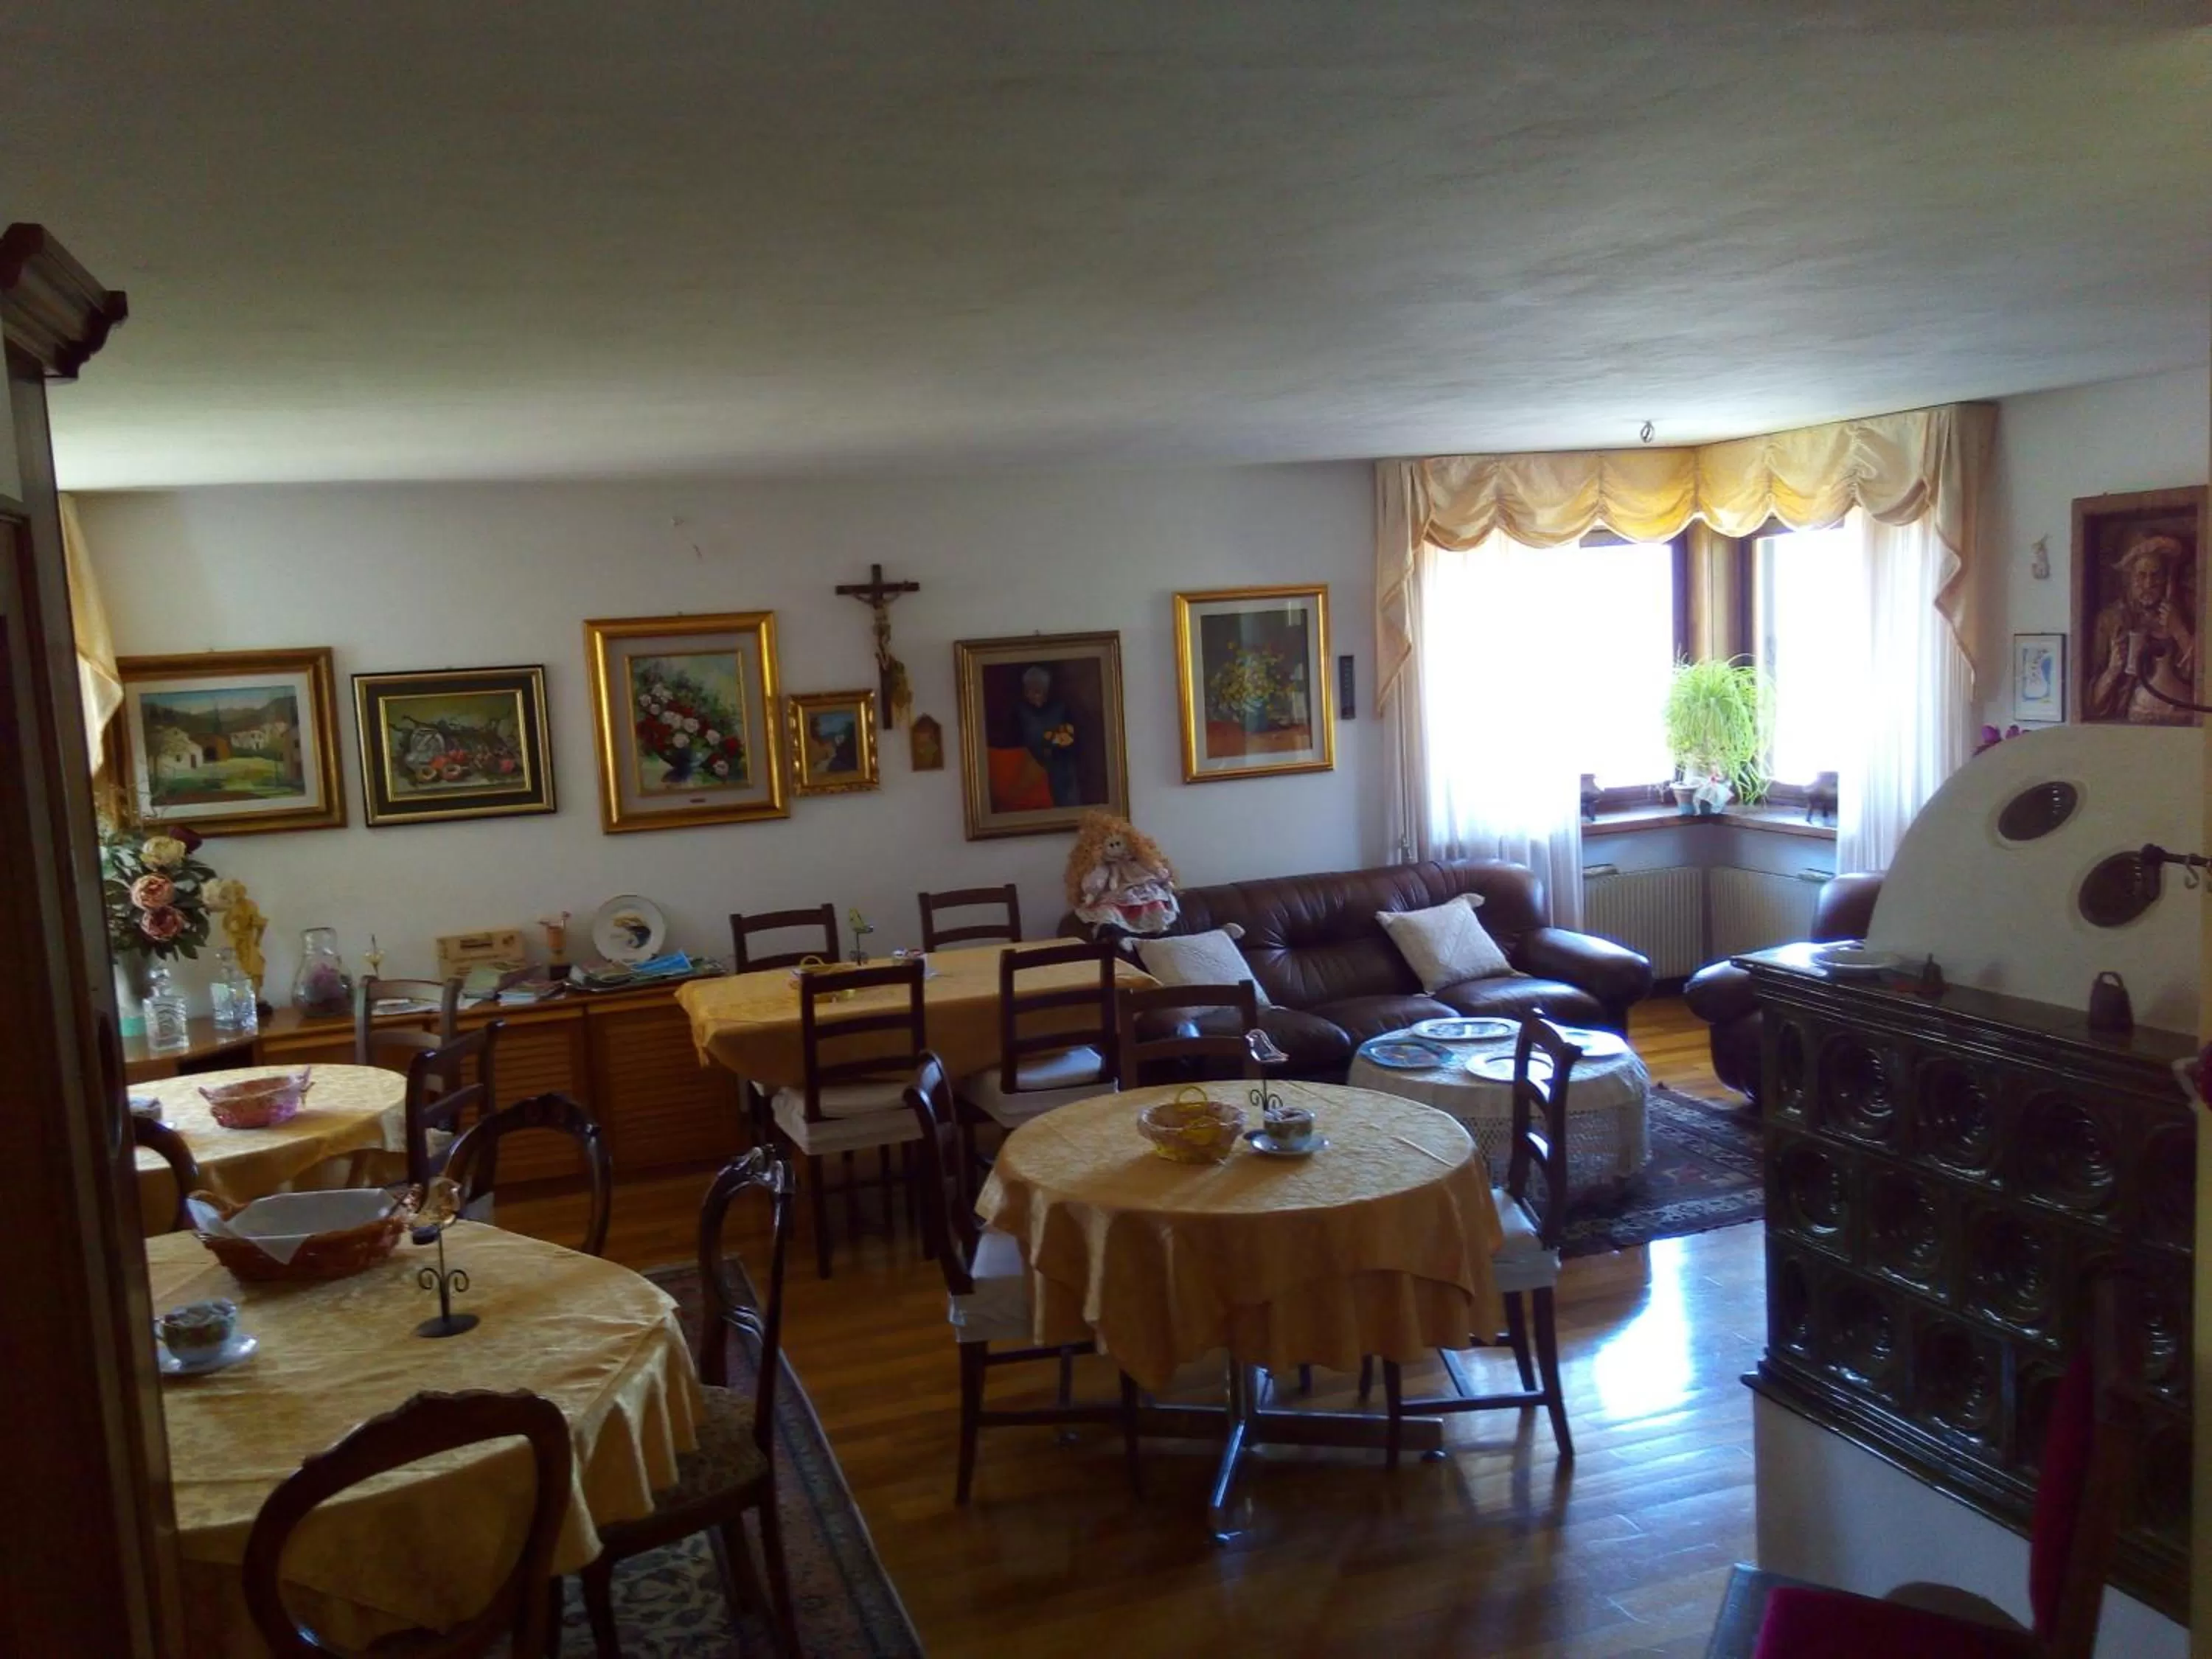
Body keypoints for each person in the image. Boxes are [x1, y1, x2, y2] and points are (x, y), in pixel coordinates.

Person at [2087, 533, 2197, 724]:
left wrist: (2179, 632)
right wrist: (2112, 671)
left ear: (2167, 579)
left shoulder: (2186, 612)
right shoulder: (2111, 620)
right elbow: (2092, 705)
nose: (2148, 584)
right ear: (2129, 578)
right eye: (2141, 575)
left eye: (2156, 575)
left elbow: (2203, 677)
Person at [1013, 663, 1081, 806]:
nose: (1032, 695)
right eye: (1028, 690)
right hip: (1030, 772)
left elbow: (1070, 740)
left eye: (1037, 691)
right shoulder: (1020, 712)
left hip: (1060, 772)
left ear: (1046, 690)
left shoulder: (1060, 709)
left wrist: (1050, 744)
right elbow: (1015, 743)